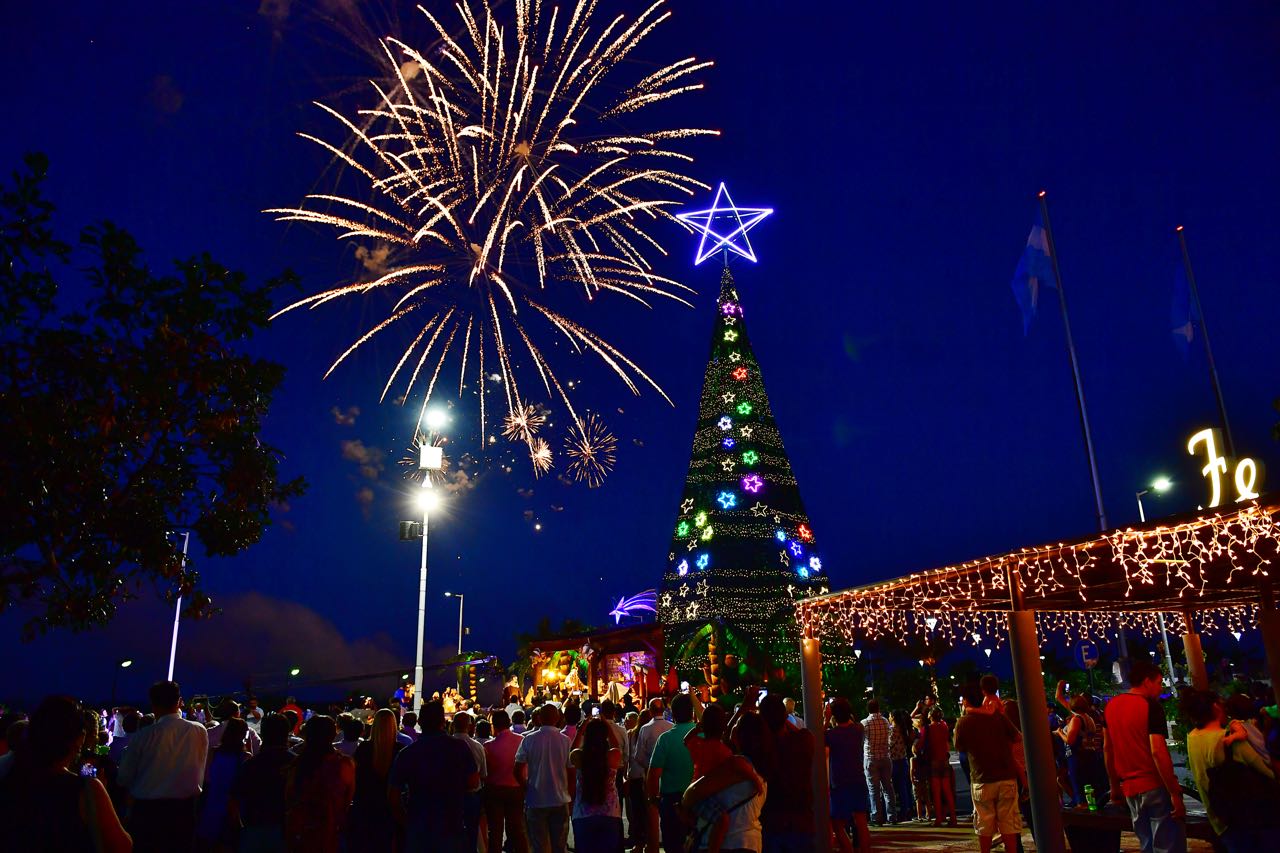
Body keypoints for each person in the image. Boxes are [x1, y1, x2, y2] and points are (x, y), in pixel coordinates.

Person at [0, 695, 132, 852]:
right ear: (79, 739)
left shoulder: (10, 776)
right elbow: (122, 846)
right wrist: (99, 796)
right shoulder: (87, 789)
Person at [1103, 659, 1186, 853]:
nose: (1160, 688)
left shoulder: (1111, 706)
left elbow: (1107, 749)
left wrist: (1114, 786)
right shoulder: (1151, 706)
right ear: (1147, 681)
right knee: (1167, 845)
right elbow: (1157, 751)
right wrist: (1174, 792)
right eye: (1158, 682)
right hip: (1154, 785)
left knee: (1146, 843)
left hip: (1130, 789)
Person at [117, 680, 210, 853]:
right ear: (179, 702)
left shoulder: (143, 736)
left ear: (153, 705)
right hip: (184, 812)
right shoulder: (199, 731)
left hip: (148, 813)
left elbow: (124, 777)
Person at [1182, 689, 1277, 852]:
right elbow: (1268, 771)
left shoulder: (1192, 737)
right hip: (1252, 820)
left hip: (1221, 818)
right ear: (1215, 707)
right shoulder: (1230, 740)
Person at [389, 700, 478, 853]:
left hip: (419, 826)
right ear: (443, 722)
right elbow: (473, 782)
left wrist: (406, 822)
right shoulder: (459, 748)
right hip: (451, 824)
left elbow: (393, 795)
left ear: (420, 722)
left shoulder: (407, 753)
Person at [682, 712, 769, 853]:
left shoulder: (703, 746)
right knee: (720, 820)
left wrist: (697, 728)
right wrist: (754, 778)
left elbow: (692, 794)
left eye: (736, 725)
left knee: (719, 819)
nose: (731, 726)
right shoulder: (758, 768)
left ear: (742, 735)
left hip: (728, 842)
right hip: (750, 842)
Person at [954, 685, 1021, 853]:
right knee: (1008, 822)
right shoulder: (998, 717)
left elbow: (959, 746)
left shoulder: (964, 722)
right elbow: (1017, 736)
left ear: (966, 701)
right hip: (1006, 775)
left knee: (984, 822)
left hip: (981, 777)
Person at [284, 715, 355, 853]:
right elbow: (347, 800)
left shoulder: (297, 764)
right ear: (333, 735)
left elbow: (289, 798)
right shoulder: (344, 764)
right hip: (331, 832)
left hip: (302, 834)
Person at [229, 713, 293, 853]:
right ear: (287, 733)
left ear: (263, 734)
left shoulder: (251, 765)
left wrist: (239, 829)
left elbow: (234, 800)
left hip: (254, 829)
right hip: (287, 830)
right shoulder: (297, 764)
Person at [516, 704, 572, 853]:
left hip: (536, 799)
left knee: (539, 846)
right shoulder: (565, 741)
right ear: (558, 718)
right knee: (559, 845)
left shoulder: (529, 740)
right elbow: (571, 770)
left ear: (539, 718)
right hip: (560, 798)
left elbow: (517, 769)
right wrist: (570, 793)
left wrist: (527, 787)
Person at [347, 709, 403, 853]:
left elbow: (356, 777)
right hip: (390, 806)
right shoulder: (400, 750)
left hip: (366, 805)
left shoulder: (364, 748)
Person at [646, 693, 696, 853]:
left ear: (672, 714)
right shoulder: (702, 735)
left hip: (671, 801)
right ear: (692, 712)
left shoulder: (665, 739)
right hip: (699, 798)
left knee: (673, 845)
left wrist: (654, 800)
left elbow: (653, 775)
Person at [570, 718, 624, 852]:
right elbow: (617, 746)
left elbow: (572, 750)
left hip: (583, 814)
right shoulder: (613, 756)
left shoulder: (579, 756)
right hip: (610, 814)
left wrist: (581, 730)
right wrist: (608, 727)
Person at [825, 698, 871, 853]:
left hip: (839, 782)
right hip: (857, 778)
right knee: (861, 821)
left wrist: (826, 719)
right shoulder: (858, 729)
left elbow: (818, 737)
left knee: (837, 824)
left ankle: (848, 849)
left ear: (834, 715)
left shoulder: (831, 735)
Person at [197, 717, 250, 851]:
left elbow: (207, 778)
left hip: (213, 802)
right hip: (234, 805)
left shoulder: (214, 752)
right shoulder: (245, 757)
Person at [485, 709, 528, 853]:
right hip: (516, 788)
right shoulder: (521, 740)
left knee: (495, 831)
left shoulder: (488, 746)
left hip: (495, 790)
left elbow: (486, 772)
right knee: (517, 829)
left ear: (494, 725)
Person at [1057, 693, 1106, 808]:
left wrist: (1060, 732)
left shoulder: (1077, 719)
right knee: (1090, 788)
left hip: (1077, 757)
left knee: (1079, 788)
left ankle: (1081, 808)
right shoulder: (1089, 718)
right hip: (1090, 755)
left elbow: (1070, 740)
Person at [453, 711, 488, 853]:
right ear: (470, 726)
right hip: (472, 796)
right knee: (472, 832)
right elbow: (484, 775)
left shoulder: (445, 745)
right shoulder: (477, 747)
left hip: (450, 795)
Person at [860, 698, 897, 826]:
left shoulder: (865, 723)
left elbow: (861, 740)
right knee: (888, 787)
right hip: (885, 757)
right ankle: (892, 816)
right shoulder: (885, 721)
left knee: (873, 789)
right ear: (878, 708)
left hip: (871, 758)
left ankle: (876, 817)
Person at [626, 708, 653, 851]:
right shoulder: (649, 732)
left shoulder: (631, 734)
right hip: (647, 775)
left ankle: (639, 843)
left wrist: (627, 775)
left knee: (637, 812)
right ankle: (649, 841)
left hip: (635, 775)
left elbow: (629, 757)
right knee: (648, 811)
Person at [684, 704, 733, 779]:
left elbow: (686, 740)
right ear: (724, 727)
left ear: (703, 726)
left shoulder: (698, 744)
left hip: (697, 784)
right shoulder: (725, 751)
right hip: (715, 785)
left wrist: (696, 729)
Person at [925, 707, 956, 826]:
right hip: (944, 760)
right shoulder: (944, 727)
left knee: (936, 792)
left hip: (934, 760)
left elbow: (923, 743)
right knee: (947, 790)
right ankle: (953, 817)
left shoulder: (929, 728)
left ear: (931, 716)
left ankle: (938, 818)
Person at [889, 708, 915, 820]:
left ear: (893, 717)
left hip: (894, 761)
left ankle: (896, 812)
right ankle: (906, 809)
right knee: (903, 786)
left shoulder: (892, 730)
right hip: (903, 760)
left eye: (890, 716)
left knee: (893, 789)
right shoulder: (903, 729)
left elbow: (889, 745)